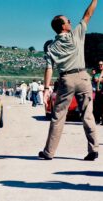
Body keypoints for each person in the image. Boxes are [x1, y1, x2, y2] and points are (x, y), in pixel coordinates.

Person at [39, 0, 99, 161]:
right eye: (68, 21)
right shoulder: (76, 34)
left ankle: (49, 152)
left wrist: (46, 89)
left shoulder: (51, 47)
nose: (71, 21)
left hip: (66, 79)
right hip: (83, 76)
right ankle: (93, 149)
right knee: (88, 114)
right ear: (63, 26)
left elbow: (49, 68)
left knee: (58, 116)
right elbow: (88, 14)